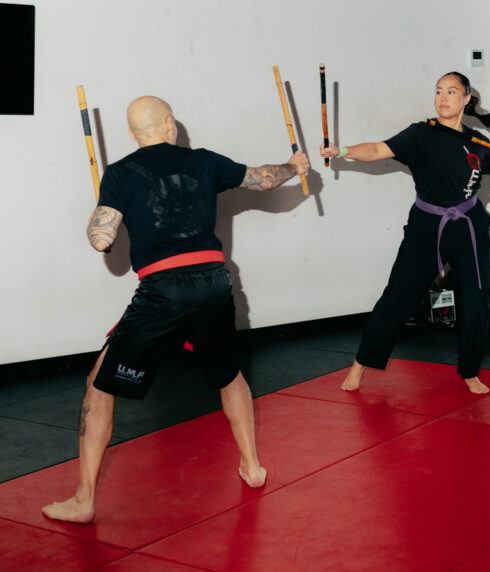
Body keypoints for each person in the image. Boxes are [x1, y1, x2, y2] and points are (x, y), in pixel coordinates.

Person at [42, 96, 309, 523]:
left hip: (164, 290)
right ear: (170, 126)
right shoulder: (204, 161)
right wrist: (294, 165)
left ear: (132, 133)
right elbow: (261, 179)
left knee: (99, 385)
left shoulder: (121, 172)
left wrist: (99, 224)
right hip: (215, 283)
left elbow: (101, 237)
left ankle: (84, 499)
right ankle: (252, 466)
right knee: (229, 375)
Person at [321, 72, 490, 394]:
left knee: (476, 301)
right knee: (397, 298)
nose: (443, 97)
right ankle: (359, 366)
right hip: (426, 227)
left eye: (451, 92)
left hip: (468, 228)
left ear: (466, 99)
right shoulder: (420, 134)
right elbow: (377, 150)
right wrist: (341, 152)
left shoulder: (476, 141)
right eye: (439, 91)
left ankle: (470, 371)